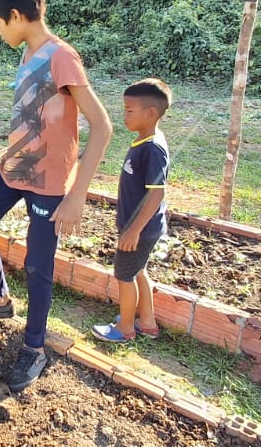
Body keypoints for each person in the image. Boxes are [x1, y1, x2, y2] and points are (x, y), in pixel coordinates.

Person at [0, 0, 114, 393]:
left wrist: (77, 195)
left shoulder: (62, 56)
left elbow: (102, 127)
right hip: (16, 168)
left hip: (49, 182)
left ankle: (35, 348)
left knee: (39, 266)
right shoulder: (28, 51)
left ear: (15, 14)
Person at [90, 78, 171, 343]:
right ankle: (147, 322)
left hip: (140, 229)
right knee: (138, 272)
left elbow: (157, 192)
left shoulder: (152, 149)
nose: (123, 115)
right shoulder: (143, 141)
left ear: (150, 113)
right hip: (140, 228)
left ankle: (125, 328)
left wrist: (133, 230)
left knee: (124, 276)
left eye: (129, 110)